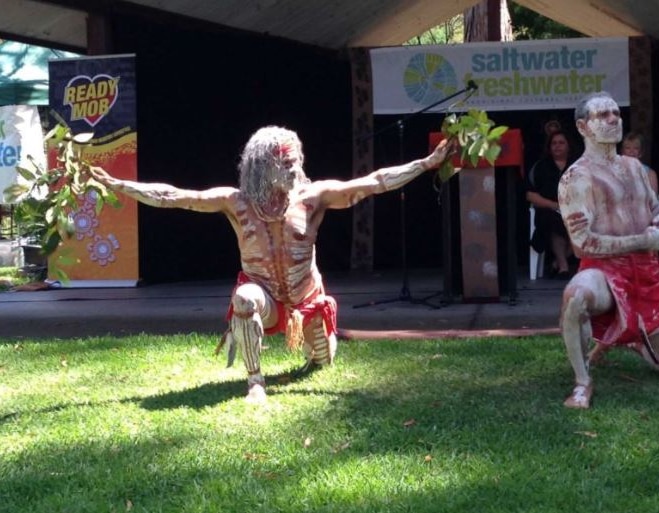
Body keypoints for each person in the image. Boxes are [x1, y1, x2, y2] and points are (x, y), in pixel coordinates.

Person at [90, 126, 453, 404]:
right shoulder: (235, 202)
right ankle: (255, 382)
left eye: (296, 159)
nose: (295, 166)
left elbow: (373, 182)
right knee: (244, 299)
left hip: (307, 300)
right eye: (285, 162)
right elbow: (175, 197)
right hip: (264, 296)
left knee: (323, 361)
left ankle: (316, 347)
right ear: (263, 168)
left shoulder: (314, 196)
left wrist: (425, 164)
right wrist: (120, 185)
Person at [557, 91, 659, 409]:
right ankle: (582, 381)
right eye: (603, 115)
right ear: (583, 127)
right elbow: (581, 245)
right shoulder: (575, 178)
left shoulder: (635, 168)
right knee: (575, 296)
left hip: (647, 272)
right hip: (604, 271)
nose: (613, 119)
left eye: (616, 114)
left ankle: (632, 340)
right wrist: (641, 241)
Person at [526, 129, 576, 278]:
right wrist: (553, 205)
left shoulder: (579, 166)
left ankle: (556, 263)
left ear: (568, 146)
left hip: (575, 210)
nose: (557, 146)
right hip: (548, 210)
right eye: (554, 143)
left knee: (587, 224)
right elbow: (530, 195)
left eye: (561, 143)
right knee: (553, 221)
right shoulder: (540, 167)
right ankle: (564, 267)